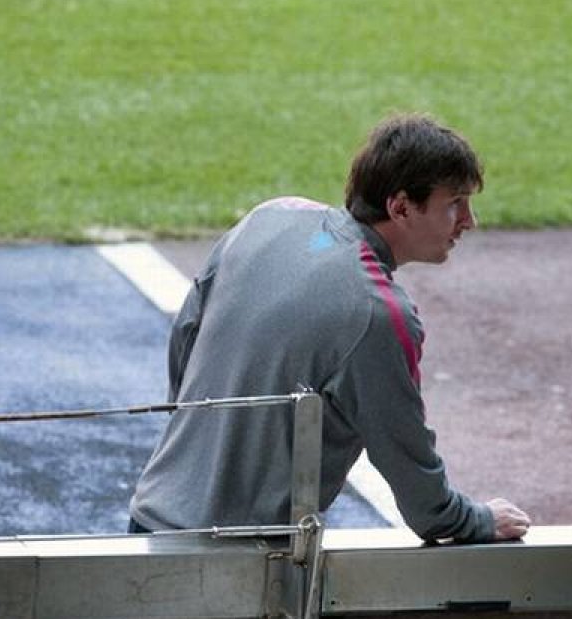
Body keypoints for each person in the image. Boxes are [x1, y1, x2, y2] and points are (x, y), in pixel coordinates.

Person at [130, 113, 530, 543]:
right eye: (455, 202)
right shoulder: (378, 312)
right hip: (241, 562)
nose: (469, 220)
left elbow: (186, 337)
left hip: (148, 521)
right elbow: (414, 479)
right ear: (400, 207)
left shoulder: (269, 218)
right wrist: (474, 520)